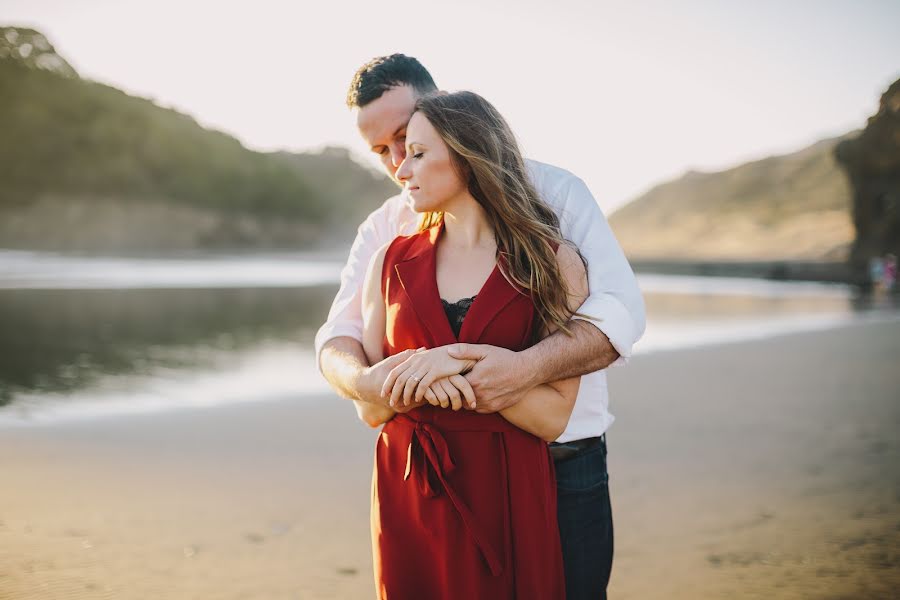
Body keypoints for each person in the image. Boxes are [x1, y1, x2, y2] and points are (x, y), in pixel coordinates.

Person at [315, 55, 646, 599]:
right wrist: (366, 384)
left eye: (407, 138)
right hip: (426, 471)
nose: (399, 162)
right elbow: (339, 337)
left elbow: (618, 313)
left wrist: (510, 371)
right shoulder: (386, 234)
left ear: (443, 111)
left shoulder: (558, 197)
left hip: (560, 460)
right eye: (383, 151)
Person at [359, 90, 584, 598]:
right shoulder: (388, 262)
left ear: (466, 154)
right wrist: (432, 372)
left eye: (417, 153)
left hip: (506, 487)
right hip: (408, 485)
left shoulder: (552, 262)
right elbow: (370, 411)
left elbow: (553, 418)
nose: (401, 169)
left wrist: (447, 366)